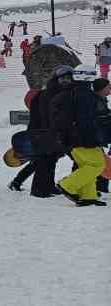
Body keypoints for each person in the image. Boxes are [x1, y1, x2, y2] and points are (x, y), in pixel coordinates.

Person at [53, 73, 108, 206]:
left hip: (72, 138)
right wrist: (90, 138)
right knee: (97, 164)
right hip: (83, 139)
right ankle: (67, 185)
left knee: (86, 166)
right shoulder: (85, 96)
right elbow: (86, 120)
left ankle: (88, 197)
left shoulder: (73, 94)